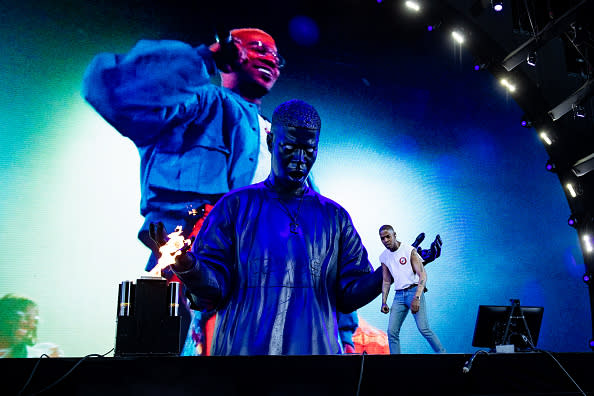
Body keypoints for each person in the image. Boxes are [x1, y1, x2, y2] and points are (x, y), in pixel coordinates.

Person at [152, 99, 384, 355]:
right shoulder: (234, 208)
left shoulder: (335, 217)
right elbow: (212, 292)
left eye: (309, 150)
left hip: (317, 372)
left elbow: (349, 295)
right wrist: (186, 264)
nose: (299, 159)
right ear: (272, 142)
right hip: (245, 368)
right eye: (290, 147)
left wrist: (391, 269)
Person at [379, 225, 446, 354]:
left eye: (388, 236)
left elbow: (423, 274)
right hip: (398, 295)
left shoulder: (409, 250)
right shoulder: (384, 257)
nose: (386, 240)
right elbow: (386, 280)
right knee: (392, 332)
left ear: (394, 235)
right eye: (382, 238)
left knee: (424, 328)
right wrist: (384, 301)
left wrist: (417, 297)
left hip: (413, 291)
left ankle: (443, 355)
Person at [0, 294, 63, 358]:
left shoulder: (41, 353)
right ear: (5, 318)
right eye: (26, 318)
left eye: (35, 321)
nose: (32, 326)